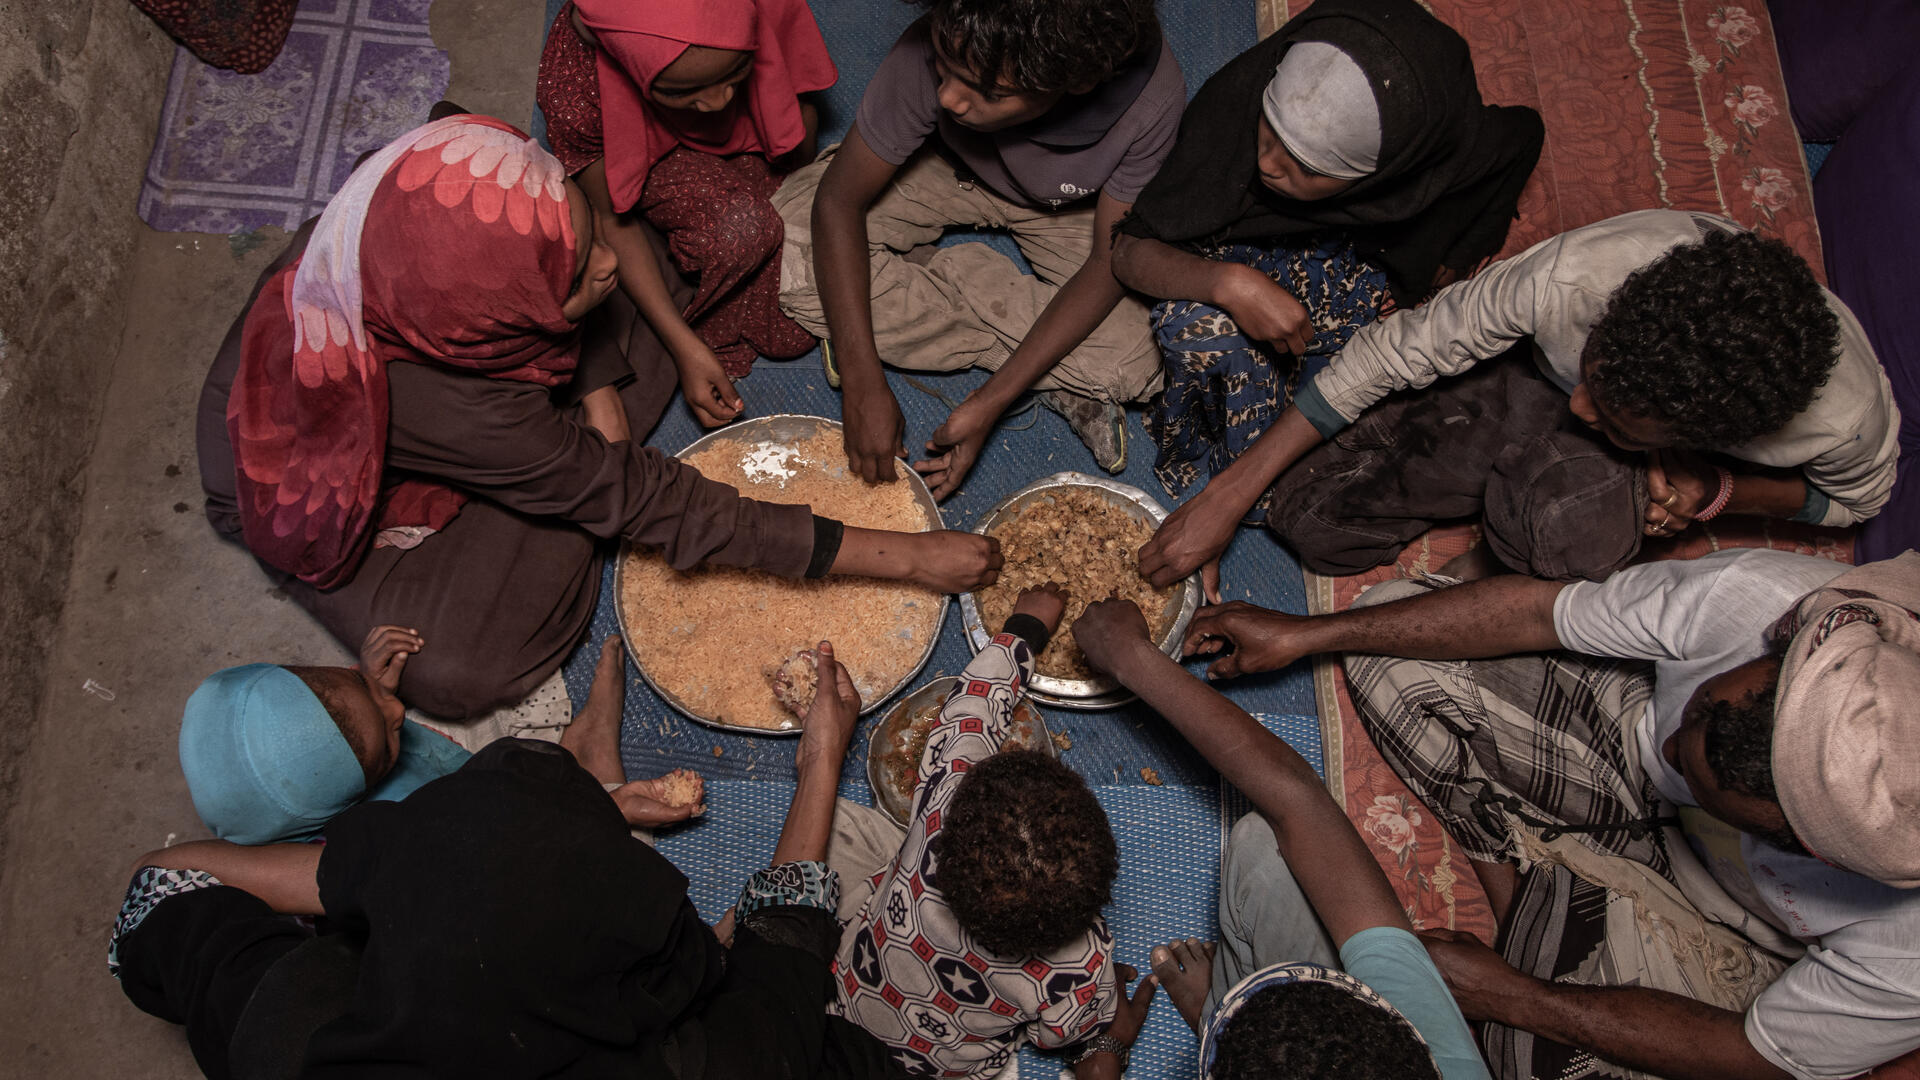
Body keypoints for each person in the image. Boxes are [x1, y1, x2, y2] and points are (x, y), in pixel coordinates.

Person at [197, 113, 1002, 720]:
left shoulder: (438, 181)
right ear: (487, 326)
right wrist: (907, 558)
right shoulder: (444, 402)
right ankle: (571, 475)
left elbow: (564, 228)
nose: (606, 265)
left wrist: (593, 382)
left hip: (479, 393)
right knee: (457, 669)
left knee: (656, 298)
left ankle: (576, 449)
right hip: (324, 497)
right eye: (577, 272)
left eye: (583, 246)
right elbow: (665, 503)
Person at [1174, 551, 1920, 1080]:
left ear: (1806, 848)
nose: (1672, 748)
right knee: (1386, 637)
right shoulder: (1764, 603)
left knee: (1529, 1057)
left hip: (1727, 928)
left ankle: (1537, 916)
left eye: (1699, 773)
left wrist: (1515, 996)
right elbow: (1538, 612)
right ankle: (1522, 890)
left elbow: (1758, 1054)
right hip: (1617, 780)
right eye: (1694, 713)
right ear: (1783, 656)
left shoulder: (1907, 950)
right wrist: (1309, 634)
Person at [111, 643, 907, 1079]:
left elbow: (159, 880)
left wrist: (603, 810)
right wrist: (821, 758)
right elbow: (783, 945)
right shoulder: (727, 1058)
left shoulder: (273, 1019)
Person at [1139, 209, 1900, 593]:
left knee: (1573, 530)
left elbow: (1852, 504)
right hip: (1527, 375)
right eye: (1593, 379)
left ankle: (1483, 571)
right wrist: (1229, 494)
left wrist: (1714, 489)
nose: (1583, 410)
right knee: (1312, 520)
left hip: (1675, 471)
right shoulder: (1574, 280)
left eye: (1617, 419)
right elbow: (1398, 351)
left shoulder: (1841, 420)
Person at [1110, 0, 1541, 540]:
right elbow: (1129, 251)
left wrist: (1450, 265)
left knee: (1367, 447)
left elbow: (1524, 136)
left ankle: (1255, 468)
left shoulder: (1445, 146)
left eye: (1306, 166)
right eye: (1268, 134)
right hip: (1243, 258)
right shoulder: (1235, 108)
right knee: (1192, 329)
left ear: (1384, 172)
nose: (1267, 163)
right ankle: (1234, 473)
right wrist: (1234, 284)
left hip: (1357, 274)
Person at [1064, 596, 1490, 1080]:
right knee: (1268, 845)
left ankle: (1214, 1012)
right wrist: (1130, 655)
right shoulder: (1427, 1052)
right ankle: (1224, 1000)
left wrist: (1106, 1055)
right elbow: (1299, 803)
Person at [773, 0, 1185, 489]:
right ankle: (1054, 368)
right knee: (786, 235)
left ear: (1076, 82)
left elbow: (1106, 261)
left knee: (1145, 353)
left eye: (988, 92)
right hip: (946, 166)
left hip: (1072, 210)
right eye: (944, 71)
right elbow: (839, 200)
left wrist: (991, 401)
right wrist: (862, 383)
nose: (948, 98)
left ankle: (894, 297)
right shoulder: (958, 31)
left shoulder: (1150, 102)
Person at [827, 585, 1155, 1076]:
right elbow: (1057, 1035)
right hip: (944, 1068)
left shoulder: (938, 813)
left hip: (842, 999)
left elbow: (970, 710)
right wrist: (1108, 1026)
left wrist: (1025, 629)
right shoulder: (1082, 965)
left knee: (834, 827)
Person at [537, 0, 837, 424]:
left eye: (735, 72)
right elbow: (609, 219)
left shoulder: (762, 8)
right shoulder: (576, 89)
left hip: (746, 124)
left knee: (789, 330)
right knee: (744, 232)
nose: (717, 103)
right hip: (653, 157)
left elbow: (799, 121)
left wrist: (788, 127)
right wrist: (685, 347)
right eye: (681, 91)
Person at [178, 624, 702, 845]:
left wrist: (370, 686)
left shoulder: (353, 730)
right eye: (387, 736)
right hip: (492, 834)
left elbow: (363, 713)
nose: (397, 710)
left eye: (353, 684)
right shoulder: (395, 833)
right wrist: (611, 811)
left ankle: (579, 755)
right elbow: (502, 851)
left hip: (457, 771)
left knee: (473, 679)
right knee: (600, 852)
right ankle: (592, 752)